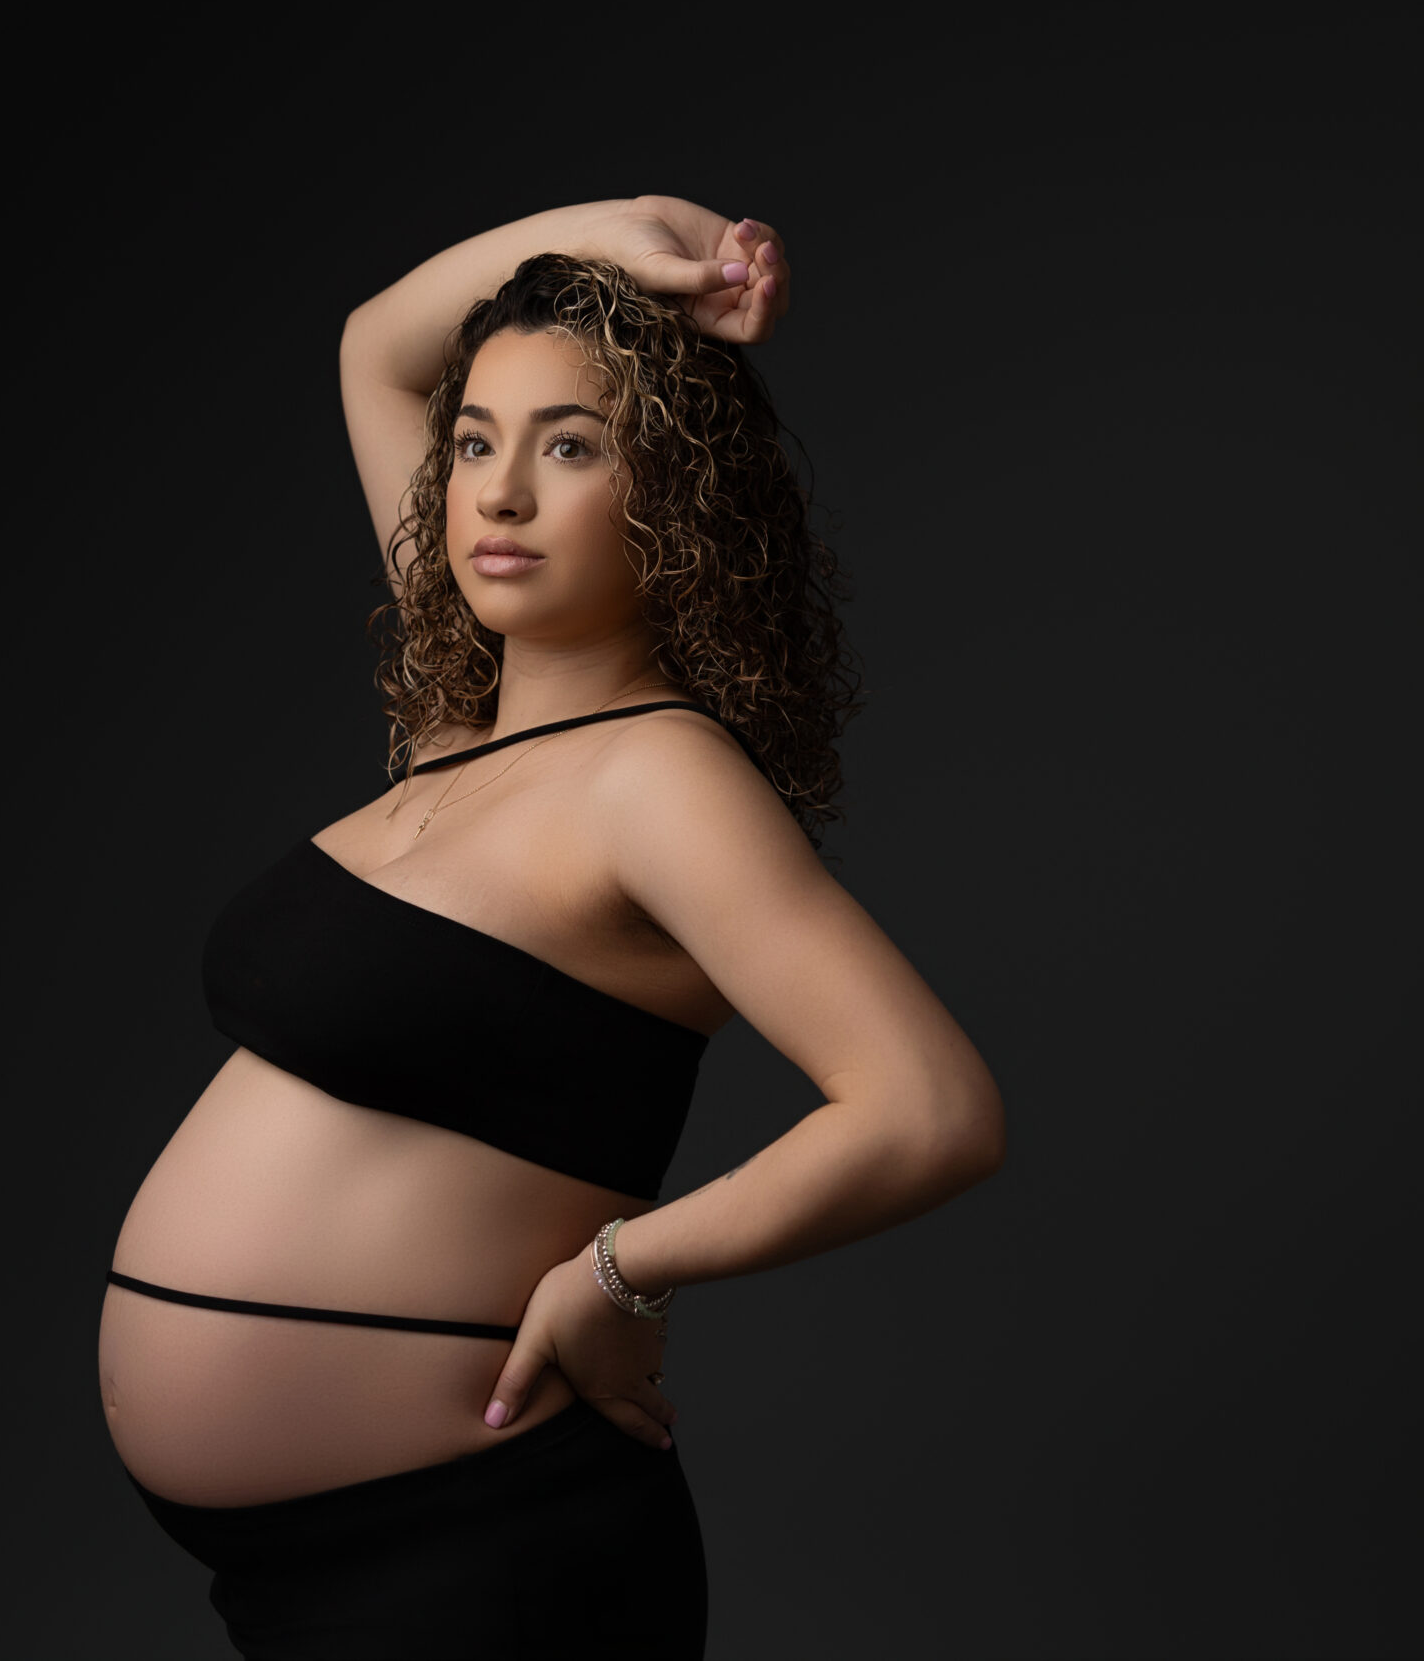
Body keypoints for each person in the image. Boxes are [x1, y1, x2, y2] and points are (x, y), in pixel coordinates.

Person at [96, 195, 1006, 1660]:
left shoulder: (658, 777)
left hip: (483, 1552)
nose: (498, 494)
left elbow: (933, 1110)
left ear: (676, 497)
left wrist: (621, 1269)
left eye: (571, 446)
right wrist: (621, 246)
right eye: (474, 444)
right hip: (314, 1564)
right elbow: (376, 345)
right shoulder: (461, 736)